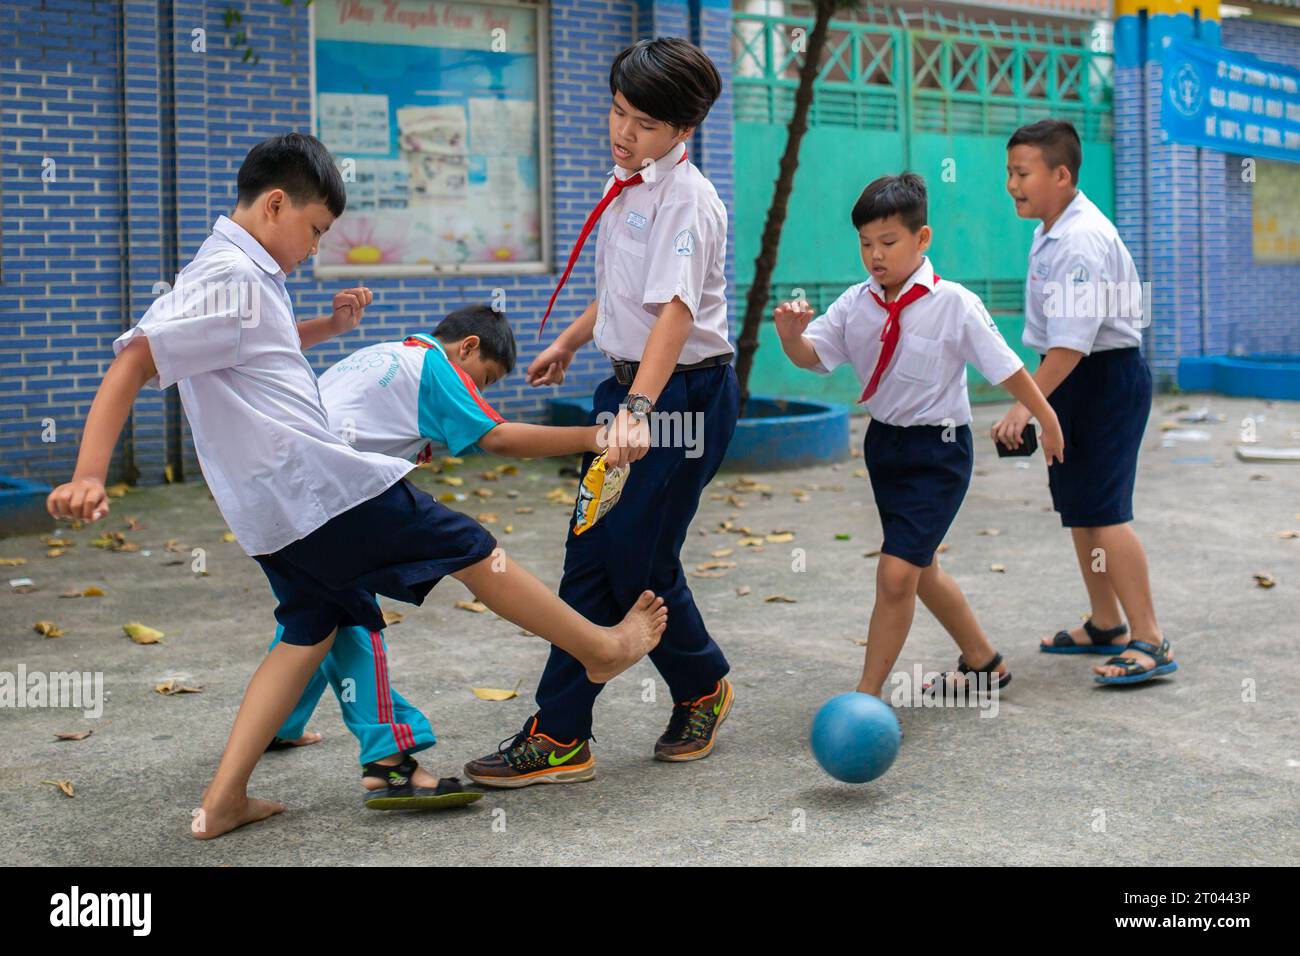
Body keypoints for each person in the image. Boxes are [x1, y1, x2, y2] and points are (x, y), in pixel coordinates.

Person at [45, 132, 665, 839]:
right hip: (321, 488)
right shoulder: (230, 277)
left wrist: (330, 324)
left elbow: (255, 346)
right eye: (314, 231)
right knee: (472, 547)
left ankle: (223, 801)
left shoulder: (245, 277)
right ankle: (599, 649)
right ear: (275, 204)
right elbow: (135, 362)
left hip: (273, 512)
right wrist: (89, 475)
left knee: (310, 630)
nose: (314, 249)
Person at [465, 38, 738, 788]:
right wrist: (569, 342)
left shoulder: (687, 201)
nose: (623, 132)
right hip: (630, 394)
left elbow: (676, 314)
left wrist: (639, 408)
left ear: (685, 130)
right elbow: (625, 292)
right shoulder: (629, 181)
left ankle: (698, 685)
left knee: (636, 560)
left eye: (644, 124)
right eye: (617, 111)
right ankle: (563, 733)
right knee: (592, 551)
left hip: (681, 397)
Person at [774, 172, 1064, 701]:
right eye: (865, 244)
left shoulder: (954, 303)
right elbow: (815, 357)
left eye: (888, 242)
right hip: (885, 448)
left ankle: (865, 696)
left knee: (895, 573)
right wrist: (791, 339)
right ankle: (984, 663)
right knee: (920, 566)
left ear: (921, 238)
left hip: (939, 453)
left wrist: (1046, 417)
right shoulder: (856, 303)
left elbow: (1007, 369)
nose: (874, 255)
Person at [997, 119, 1176, 685]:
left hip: (1103, 380)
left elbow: (1072, 343)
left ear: (1061, 174)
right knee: (1080, 507)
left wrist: (1026, 404)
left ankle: (1149, 639)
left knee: (1105, 511)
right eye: (1009, 173)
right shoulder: (1052, 227)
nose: (1012, 185)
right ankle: (1106, 623)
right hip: (1078, 377)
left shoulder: (1079, 239)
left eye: (1022, 173)